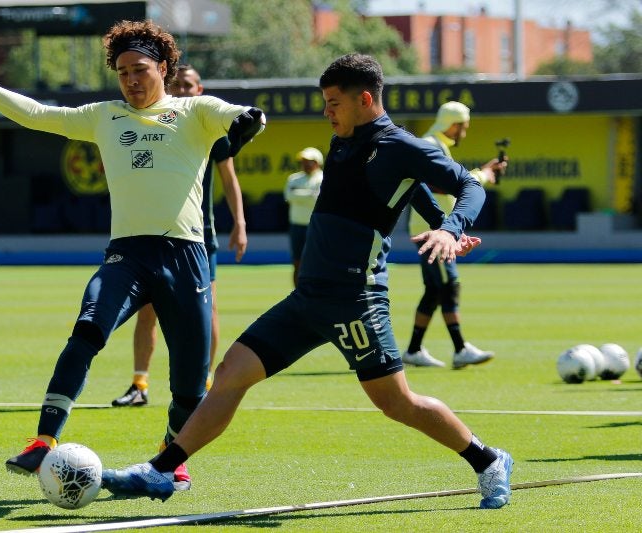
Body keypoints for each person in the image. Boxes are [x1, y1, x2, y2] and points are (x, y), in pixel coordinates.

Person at [100, 53, 513, 510]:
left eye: (333, 102)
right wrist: (435, 217)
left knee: (397, 403)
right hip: (308, 298)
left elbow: (468, 187)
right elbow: (407, 186)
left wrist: (449, 229)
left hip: (355, 301)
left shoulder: (404, 145)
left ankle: (489, 460)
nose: (326, 111)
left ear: (366, 99)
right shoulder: (345, 139)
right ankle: (162, 472)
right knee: (231, 375)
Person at [0, 19, 266, 492]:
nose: (131, 79)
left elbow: (241, 114)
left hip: (186, 259)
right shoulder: (105, 116)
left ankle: (169, 467)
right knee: (86, 332)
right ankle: (44, 440)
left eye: (139, 69)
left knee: (189, 380)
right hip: (127, 255)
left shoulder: (195, 110)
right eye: (122, 71)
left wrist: (249, 120)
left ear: (163, 67)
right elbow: (36, 113)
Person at [112, 64, 248, 407]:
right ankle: (139, 384)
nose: (183, 90)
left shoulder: (208, 125)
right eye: (178, 84)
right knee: (147, 311)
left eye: (189, 84)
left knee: (207, 311)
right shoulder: (154, 121)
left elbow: (229, 179)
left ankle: (202, 383)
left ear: (200, 89)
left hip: (199, 237)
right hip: (152, 235)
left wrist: (240, 223)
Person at [402, 101, 507, 369]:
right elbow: (437, 185)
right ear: (454, 124)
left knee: (436, 289)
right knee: (448, 285)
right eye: (464, 127)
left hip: (432, 228)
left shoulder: (436, 144)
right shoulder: (431, 144)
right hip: (434, 231)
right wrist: (481, 176)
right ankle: (459, 349)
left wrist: (482, 174)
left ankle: (415, 350)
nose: (465, 132)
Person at [284, 147, 324, 286]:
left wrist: (299, 194)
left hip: (316, 227)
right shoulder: (294, 178)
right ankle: (298, 293)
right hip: (296, 226)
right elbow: (289, 196)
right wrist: (309, 193)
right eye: (303, 161)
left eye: (309, 161)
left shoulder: (323, 178)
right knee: (297, 263)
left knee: (316, 262)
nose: (305, 164)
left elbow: (316, 198)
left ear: (317, 162)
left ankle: (316, 292)